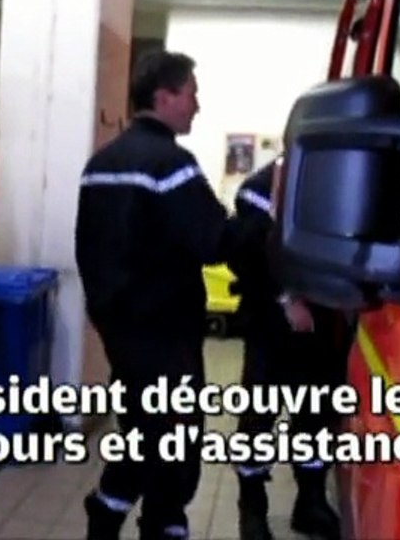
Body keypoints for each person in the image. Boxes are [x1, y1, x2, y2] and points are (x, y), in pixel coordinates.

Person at [76, 50, 266, 540]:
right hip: (164, 332)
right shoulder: (170, 163)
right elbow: (215, 242)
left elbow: (88, 248)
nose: (196, 106)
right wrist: (262, 212)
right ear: (164, 96)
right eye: (191, 94)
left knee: (145, 430)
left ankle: (116, 515)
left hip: (119, 330)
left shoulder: (101, 164)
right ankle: (154, 521)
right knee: (173, 436)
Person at [229, 159, 351, 540]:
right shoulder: (258, 190)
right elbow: (246, 255)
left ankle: (310, 502)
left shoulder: (339, 180)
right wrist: (284, 299)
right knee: (258, 419)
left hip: (321, 324)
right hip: (270, 323)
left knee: (315, 415)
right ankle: (252, 509)